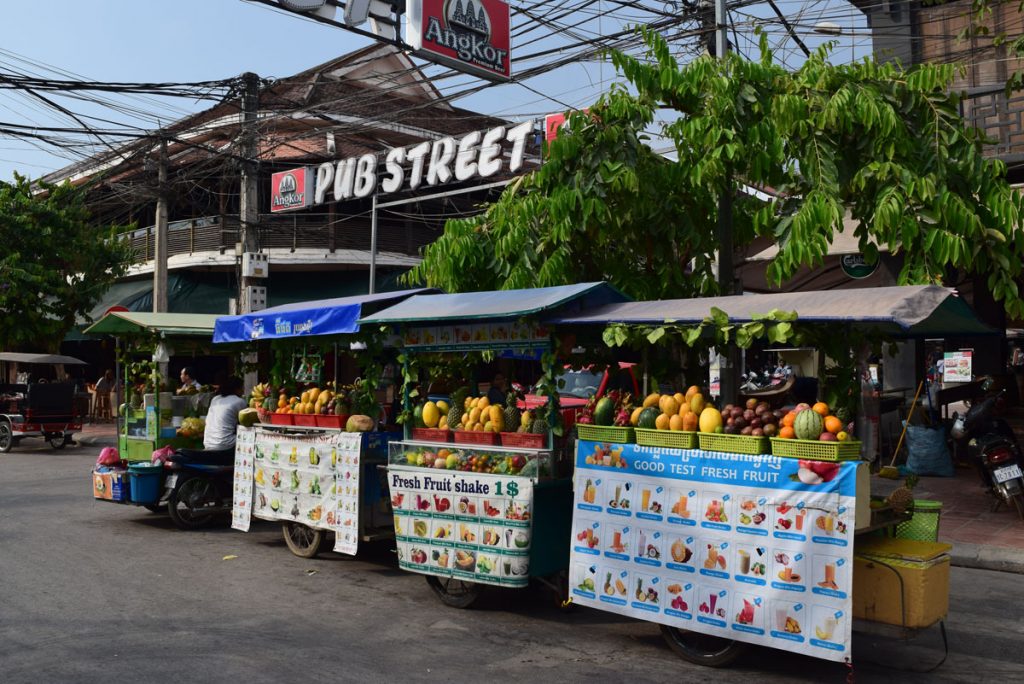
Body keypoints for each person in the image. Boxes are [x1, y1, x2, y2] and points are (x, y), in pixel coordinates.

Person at [203, 376, 247, 451]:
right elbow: (246, 421)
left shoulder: (215, 399)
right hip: (225, 445)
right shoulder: (239, 401)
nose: (243, 391)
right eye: (242, 388)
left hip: (207, 444)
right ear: (236, 389)